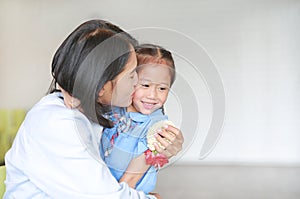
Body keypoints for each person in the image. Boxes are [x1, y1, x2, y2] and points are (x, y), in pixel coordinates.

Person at [4, 20, 184, 199]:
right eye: (131, 75)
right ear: (101, 85)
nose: (137, 83)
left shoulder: (93, 109)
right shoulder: (57, 125)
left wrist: (166, 142)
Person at [100, 44, 176, 194]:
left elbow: (132, 179)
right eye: (145, 85)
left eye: (162, 88)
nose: (153, 95)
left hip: (128, 193)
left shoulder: (157, 129)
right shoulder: (113, 109)